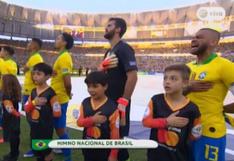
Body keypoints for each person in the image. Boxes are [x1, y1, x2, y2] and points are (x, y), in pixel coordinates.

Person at [185, 28, 234, 161]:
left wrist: (222, 109)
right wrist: (189, 88)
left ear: (213, 42)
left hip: (209, 132)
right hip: (185, 130)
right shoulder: (187, 67)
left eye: (199, 37)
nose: (193, 40)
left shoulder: (225, 66)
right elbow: (173, 96)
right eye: (194, 36)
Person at [142, 64, 201, 161]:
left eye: (173, 79)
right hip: (155, 156)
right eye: (165, 78)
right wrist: (166, 122)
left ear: (185, 83)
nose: (167, 82)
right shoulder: (156, 100)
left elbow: (195, 135)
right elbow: (145, 122)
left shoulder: (193, 109)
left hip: (179, 157)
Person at [99, 17, 138, 161]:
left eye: (109, 25)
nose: (106, 28)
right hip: (107, 101)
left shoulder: (124, 48)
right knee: (108, 133)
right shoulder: (109, 51)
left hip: (119, 102)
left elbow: (132, 76)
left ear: (118, 29)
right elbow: (101, 75)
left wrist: (124, 101)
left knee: (119, 136)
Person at [77, 71, 119, 161]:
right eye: (88, 86)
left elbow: (115, 133)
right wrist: (92, 120)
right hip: (87, 146)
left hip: (104, 150)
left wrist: (113, 155)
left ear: (105, 86)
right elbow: (79, 123)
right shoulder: (85, 102)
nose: (91, 90)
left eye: (95, 86)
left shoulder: (112, 107)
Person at [24, 63, 61, 161]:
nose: (35, 76)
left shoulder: (51, 93)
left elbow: (57, 113)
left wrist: (47, 109)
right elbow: (26, 108)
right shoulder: (33, 91)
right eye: (34, 74)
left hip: (45, 128)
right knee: (37, 151)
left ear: (48, 76)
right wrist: (34, 103)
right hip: (34, 127)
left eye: (39, 74)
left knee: (46, 151)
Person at [51, 33, 73, 161]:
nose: (56, 40)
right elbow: (59, 75)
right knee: (59, 128)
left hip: (59, 99)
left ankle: (67, 157)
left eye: (58, 38)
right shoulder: (61, 56)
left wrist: (68, 93)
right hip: (56, 97)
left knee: (60, 130)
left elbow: (67, 81)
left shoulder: (64, 57)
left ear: (64, 43)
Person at [23, 38, 44, 158]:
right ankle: (36, 144)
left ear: (35, 45)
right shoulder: (33, 57)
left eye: (30, 42)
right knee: (31, 120)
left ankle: (36, 147)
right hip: (28, 90)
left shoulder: (36, 58)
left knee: (33, 121)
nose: (27, 44)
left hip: (31, 92)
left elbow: (35, 76)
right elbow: (26, 70)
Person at [1, 74, 21, 161]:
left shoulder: (6, 95)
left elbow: (10, 109)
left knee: (13, 137)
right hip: (15, 119)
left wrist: (16, 114)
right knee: (15, 136)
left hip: (10, 119)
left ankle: (13, 156)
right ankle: (14, 153)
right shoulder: (14, 93)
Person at [0, 46, 17, 144]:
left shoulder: (10, 64)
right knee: (5, 112)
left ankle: (7, 137)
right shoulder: (9, 63)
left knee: (8, 114)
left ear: (6, 53)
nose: (0, 52)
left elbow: (10, 77)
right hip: (3, 90)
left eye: (1, 50)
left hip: (8, 91)